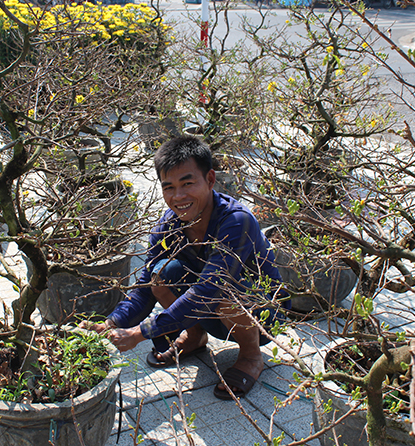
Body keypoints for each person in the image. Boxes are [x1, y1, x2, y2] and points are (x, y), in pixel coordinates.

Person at [80, 136, 289, 400]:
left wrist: (140, 333)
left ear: (210, 180)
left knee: (222, 292)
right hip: (213, 309)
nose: (178, 197)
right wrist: (111, 323)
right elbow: (144, 288)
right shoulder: (169, 225)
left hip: (263, 316)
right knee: (158, 276)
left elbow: (208, 290)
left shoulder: (236, 221)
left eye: (188, 183)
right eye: (169, 187)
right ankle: (195, 336)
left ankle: (251, 356)